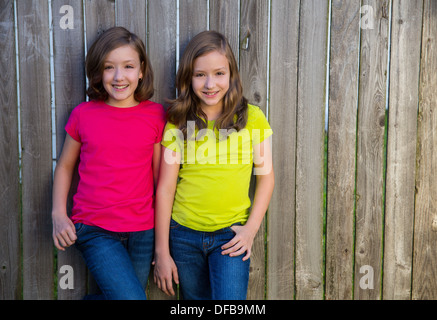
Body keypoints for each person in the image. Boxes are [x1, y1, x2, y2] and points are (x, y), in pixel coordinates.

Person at [153, 30, 274, 300]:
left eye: (219, 73)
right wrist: (162, 251)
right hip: (183, 234)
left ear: (231, 75)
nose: (210, 84)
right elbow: (166, 187)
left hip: (230, 235)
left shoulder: (251, 118)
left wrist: (250, 229)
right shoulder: (178, 121)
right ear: (188, 77)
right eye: (200, 75)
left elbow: (266, 178)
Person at [51, 26, 165, 300]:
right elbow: (66, 166)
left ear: (141, 71)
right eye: (109, 67)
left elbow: (161, 178)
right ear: (99, 73)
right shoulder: (84, 114)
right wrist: (58, 214)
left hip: (142, 231)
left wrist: (164, 240)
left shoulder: (156, 115)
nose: (118, 77)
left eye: (128, 66)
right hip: (95, 228)